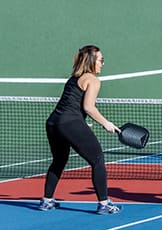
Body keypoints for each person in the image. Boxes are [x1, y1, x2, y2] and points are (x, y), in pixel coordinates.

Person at [39, 45, 123, 214]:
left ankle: (47, 201)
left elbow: (70, 105)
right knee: (97, 159)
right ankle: (104, 204)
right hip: (69, 123)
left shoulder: (73, 78)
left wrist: (80, 125)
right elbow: (88, 107)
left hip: (54, 123)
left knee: (59, 161)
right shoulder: (92, 80)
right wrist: (105, 123)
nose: (103, 64)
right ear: (92, 61)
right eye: (101, 60)